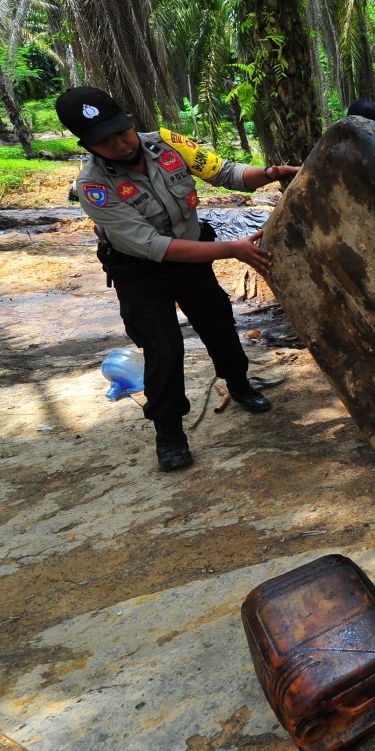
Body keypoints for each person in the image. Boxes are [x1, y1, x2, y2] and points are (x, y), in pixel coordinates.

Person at [55, 86, 301, 472]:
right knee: (163, 347)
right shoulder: (93, 187)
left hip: (192, 258)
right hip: (140, 272)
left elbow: (224, 172)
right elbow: (153, 245)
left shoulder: (168, 144)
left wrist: (268, 174)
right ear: (87, 145)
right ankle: (169, 433)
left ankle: (238, 384)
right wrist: (232, 249)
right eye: (104, 142)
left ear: (130, 121)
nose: (119, 144)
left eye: (121, 132)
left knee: (219, 322)